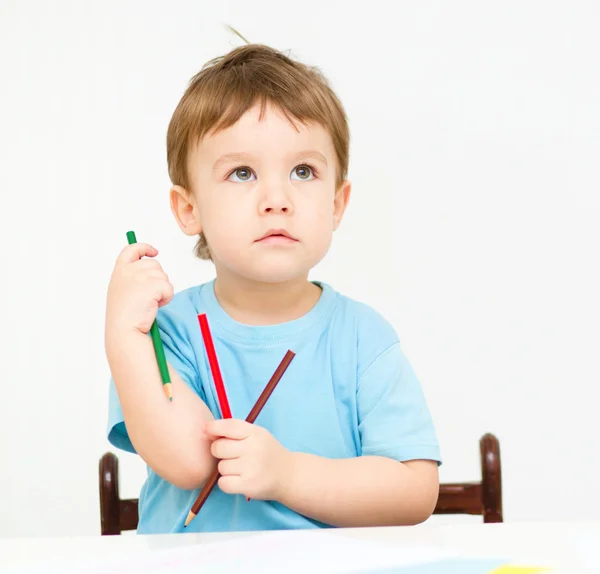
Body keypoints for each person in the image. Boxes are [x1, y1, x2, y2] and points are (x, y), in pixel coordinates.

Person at [105, 43, 441, 534]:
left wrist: (287, 474)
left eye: (303, 171)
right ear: (187, 208)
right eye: (242, 173)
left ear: (337, 203)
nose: (277, 199)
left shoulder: (362, 337)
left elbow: (414, 491)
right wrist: (121, 334)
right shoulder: (162, 330)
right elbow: (189, 463)